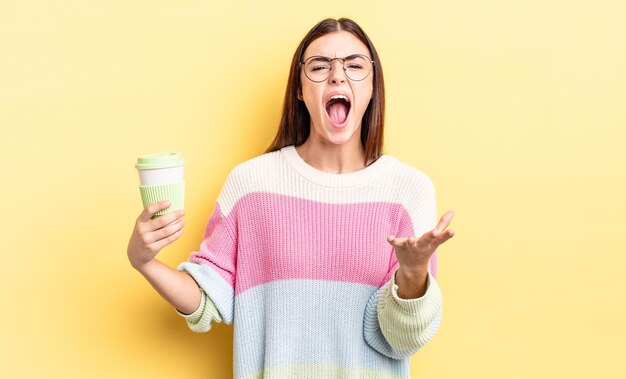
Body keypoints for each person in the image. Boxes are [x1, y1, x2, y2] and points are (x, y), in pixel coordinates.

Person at [127, 17, 455, 379]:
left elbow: (403, 339)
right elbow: (207, 299)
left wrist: (412, 273)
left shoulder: (409, 190)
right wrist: (145, 262)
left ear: (373, 86)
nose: (337, 75)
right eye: (319, 66)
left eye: (355, 65)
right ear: (299, 89)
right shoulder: (251, 185)